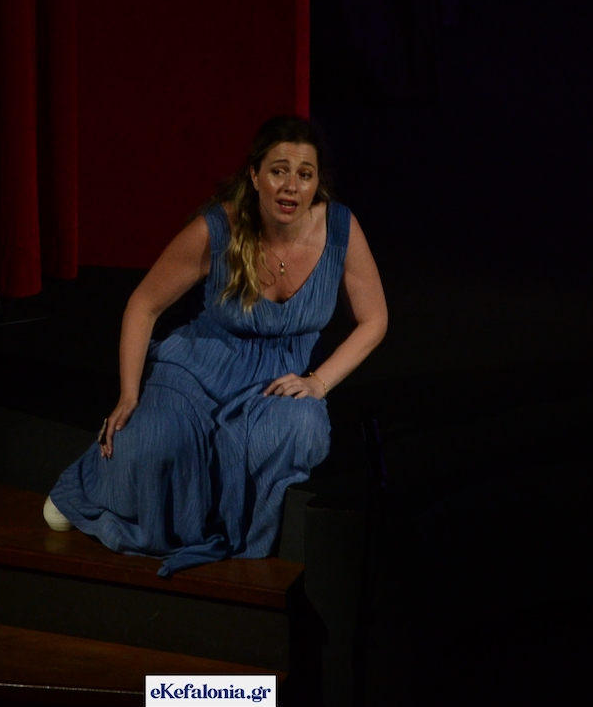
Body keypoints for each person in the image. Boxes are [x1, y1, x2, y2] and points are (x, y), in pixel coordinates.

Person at [45, 116, 388, 576]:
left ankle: (217, 522)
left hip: (273, 384)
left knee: (296, 430)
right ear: (255, 175)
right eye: (279, 171)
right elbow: (143, 305)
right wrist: (128, 393)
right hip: (199, 370)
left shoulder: (340, 230)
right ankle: (89, 484)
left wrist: (318, 382)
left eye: (304, 174)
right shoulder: (218, 228)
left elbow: (374, 319)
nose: (291, 186)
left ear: (316, 183)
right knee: (153, 446)